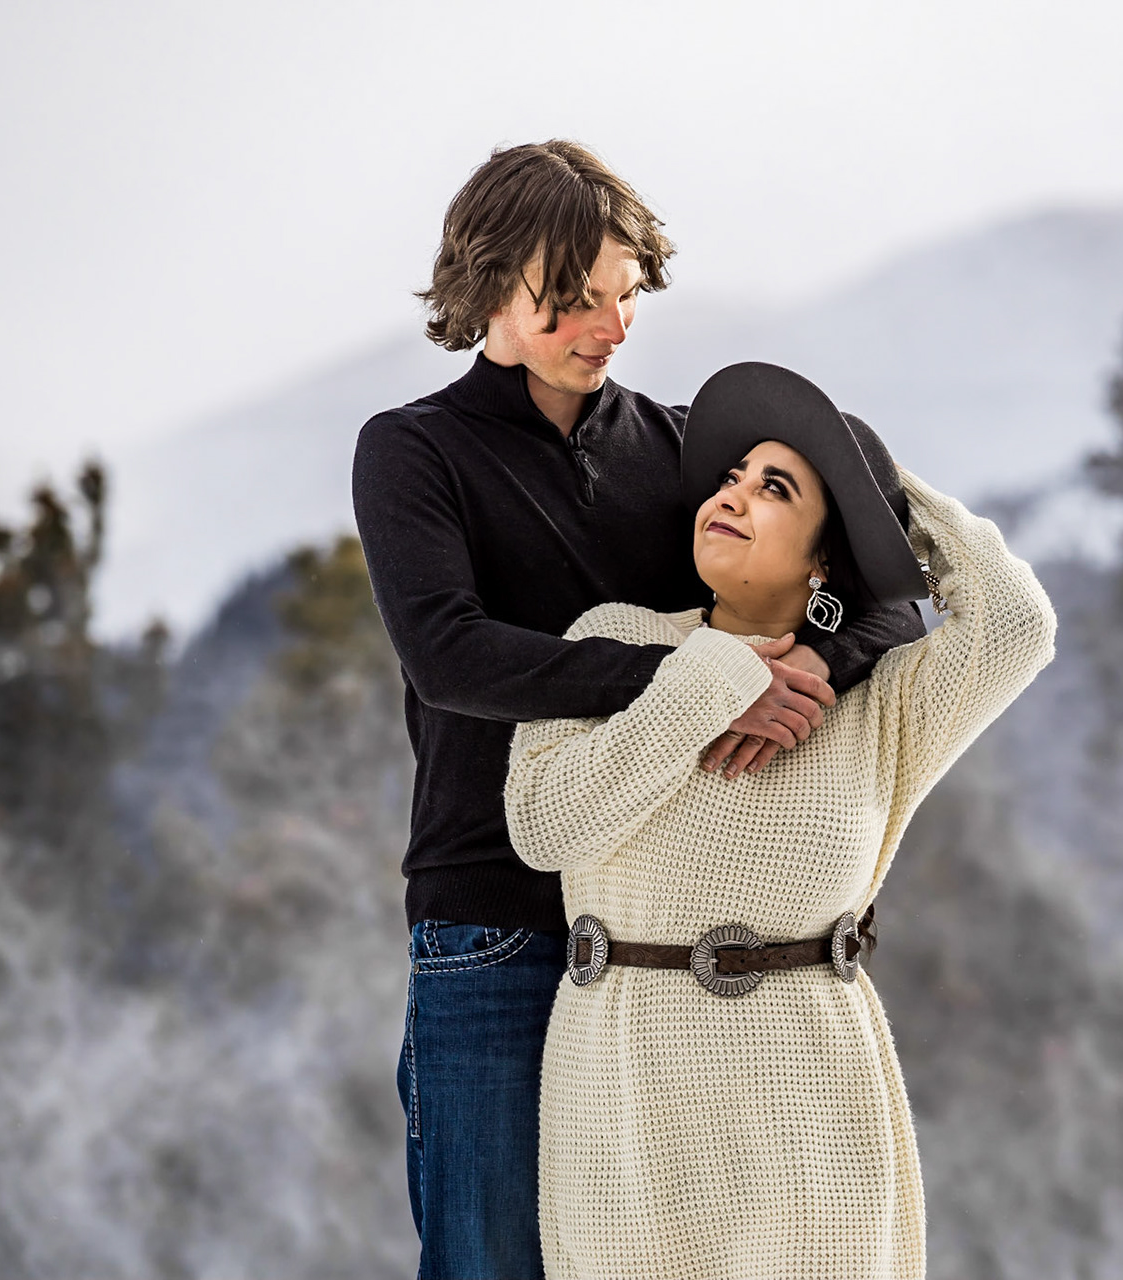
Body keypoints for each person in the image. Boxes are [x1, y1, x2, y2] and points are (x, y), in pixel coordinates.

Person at [351, 142, 925, 1279]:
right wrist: (699, 678)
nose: (608, 325)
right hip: (497, 925)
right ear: (485, 284)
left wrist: (809, 657)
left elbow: (871, 596)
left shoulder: (675, 452)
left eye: (623, 295)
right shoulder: (414, 452)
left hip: (660, 943)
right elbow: (448, 655)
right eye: (572, 300)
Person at [504, 361, 1057, 1279]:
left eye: (776, 489)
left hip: (812, 1123)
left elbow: (1015, 626)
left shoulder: (879, 706)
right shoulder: (618, 640)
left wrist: (883, 493)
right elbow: (545, 826)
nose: (733, 494)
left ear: (824, 558)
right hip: (625, 1114)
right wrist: (718, 678)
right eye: (729, 477)